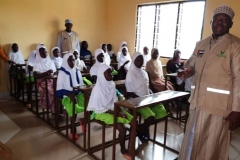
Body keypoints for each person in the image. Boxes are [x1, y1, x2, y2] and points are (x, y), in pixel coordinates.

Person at [178, 5, 240, 160]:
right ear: (211, 22)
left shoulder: (235, 45)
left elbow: (239, 78)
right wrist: (187, 71)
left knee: (212, 145)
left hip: (218, 107)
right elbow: (191, 64)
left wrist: (237, 110)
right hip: (197, 102)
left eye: (224, 20)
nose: (219, 22)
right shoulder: (201, 44)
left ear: (230, 24)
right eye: (216, 19)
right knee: (192, 139)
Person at [87, 64, 134, 160]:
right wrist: (116, 113)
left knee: (133, 121)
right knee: (122, 127)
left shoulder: (112, 84)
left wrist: (120, 111)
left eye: (110, 72)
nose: (111, 74)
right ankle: (123, 150)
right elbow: (99, 107)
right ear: (101, 75)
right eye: (107, 73)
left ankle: (131, 146)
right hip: (100, 112)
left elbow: (115, 102)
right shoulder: (97, 89)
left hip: (112, 109)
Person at [125, 52, 167, 143]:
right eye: (138, 60)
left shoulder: (144, 72)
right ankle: (142, 129)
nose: (140, 62)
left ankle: (140, 128)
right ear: (134, 61)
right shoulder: (130, 74)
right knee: (150, 118)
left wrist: (153, 96)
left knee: (163, 114)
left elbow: (149, 86)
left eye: (141, 60)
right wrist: (142, 99)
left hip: (148, 98)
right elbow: (129, 92)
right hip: (136, 100)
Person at [56, 53, 85, 138]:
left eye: (73, 60)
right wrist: (70, 95)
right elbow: (60, 88)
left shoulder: (76, 70)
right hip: (67, 95)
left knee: (90, 104)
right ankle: (73, 131)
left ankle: (84, 121)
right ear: (65, 61)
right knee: (74, 110)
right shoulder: (62, 72)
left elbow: (81, 84)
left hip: (77, 93)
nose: (72, 62)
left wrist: (82, 92)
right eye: (70, 60)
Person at [33, 45, 56, 116]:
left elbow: (55, 72)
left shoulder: (50, 61)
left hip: (52, 79)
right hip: (41, 81)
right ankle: (54, 111)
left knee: (59, 89)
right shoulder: (37, 63)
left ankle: (60, 110)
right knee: (51, 91)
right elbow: (35, 76)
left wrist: (52, 73)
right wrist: (46, 73)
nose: (44, 53)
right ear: (39, 54)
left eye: (45, 52)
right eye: (42, 52)